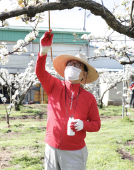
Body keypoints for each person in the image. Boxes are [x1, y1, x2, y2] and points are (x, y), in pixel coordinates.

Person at [35, 30, 101, 170]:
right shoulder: (55, 85)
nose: (71, 67)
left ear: (84, 74)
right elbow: (40, 73)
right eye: (69, 64)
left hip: (75, 152)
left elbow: (96, 125)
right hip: (51, 148)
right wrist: (43, 52)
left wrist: (83, 124)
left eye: (77, 65)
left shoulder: (89, 98)